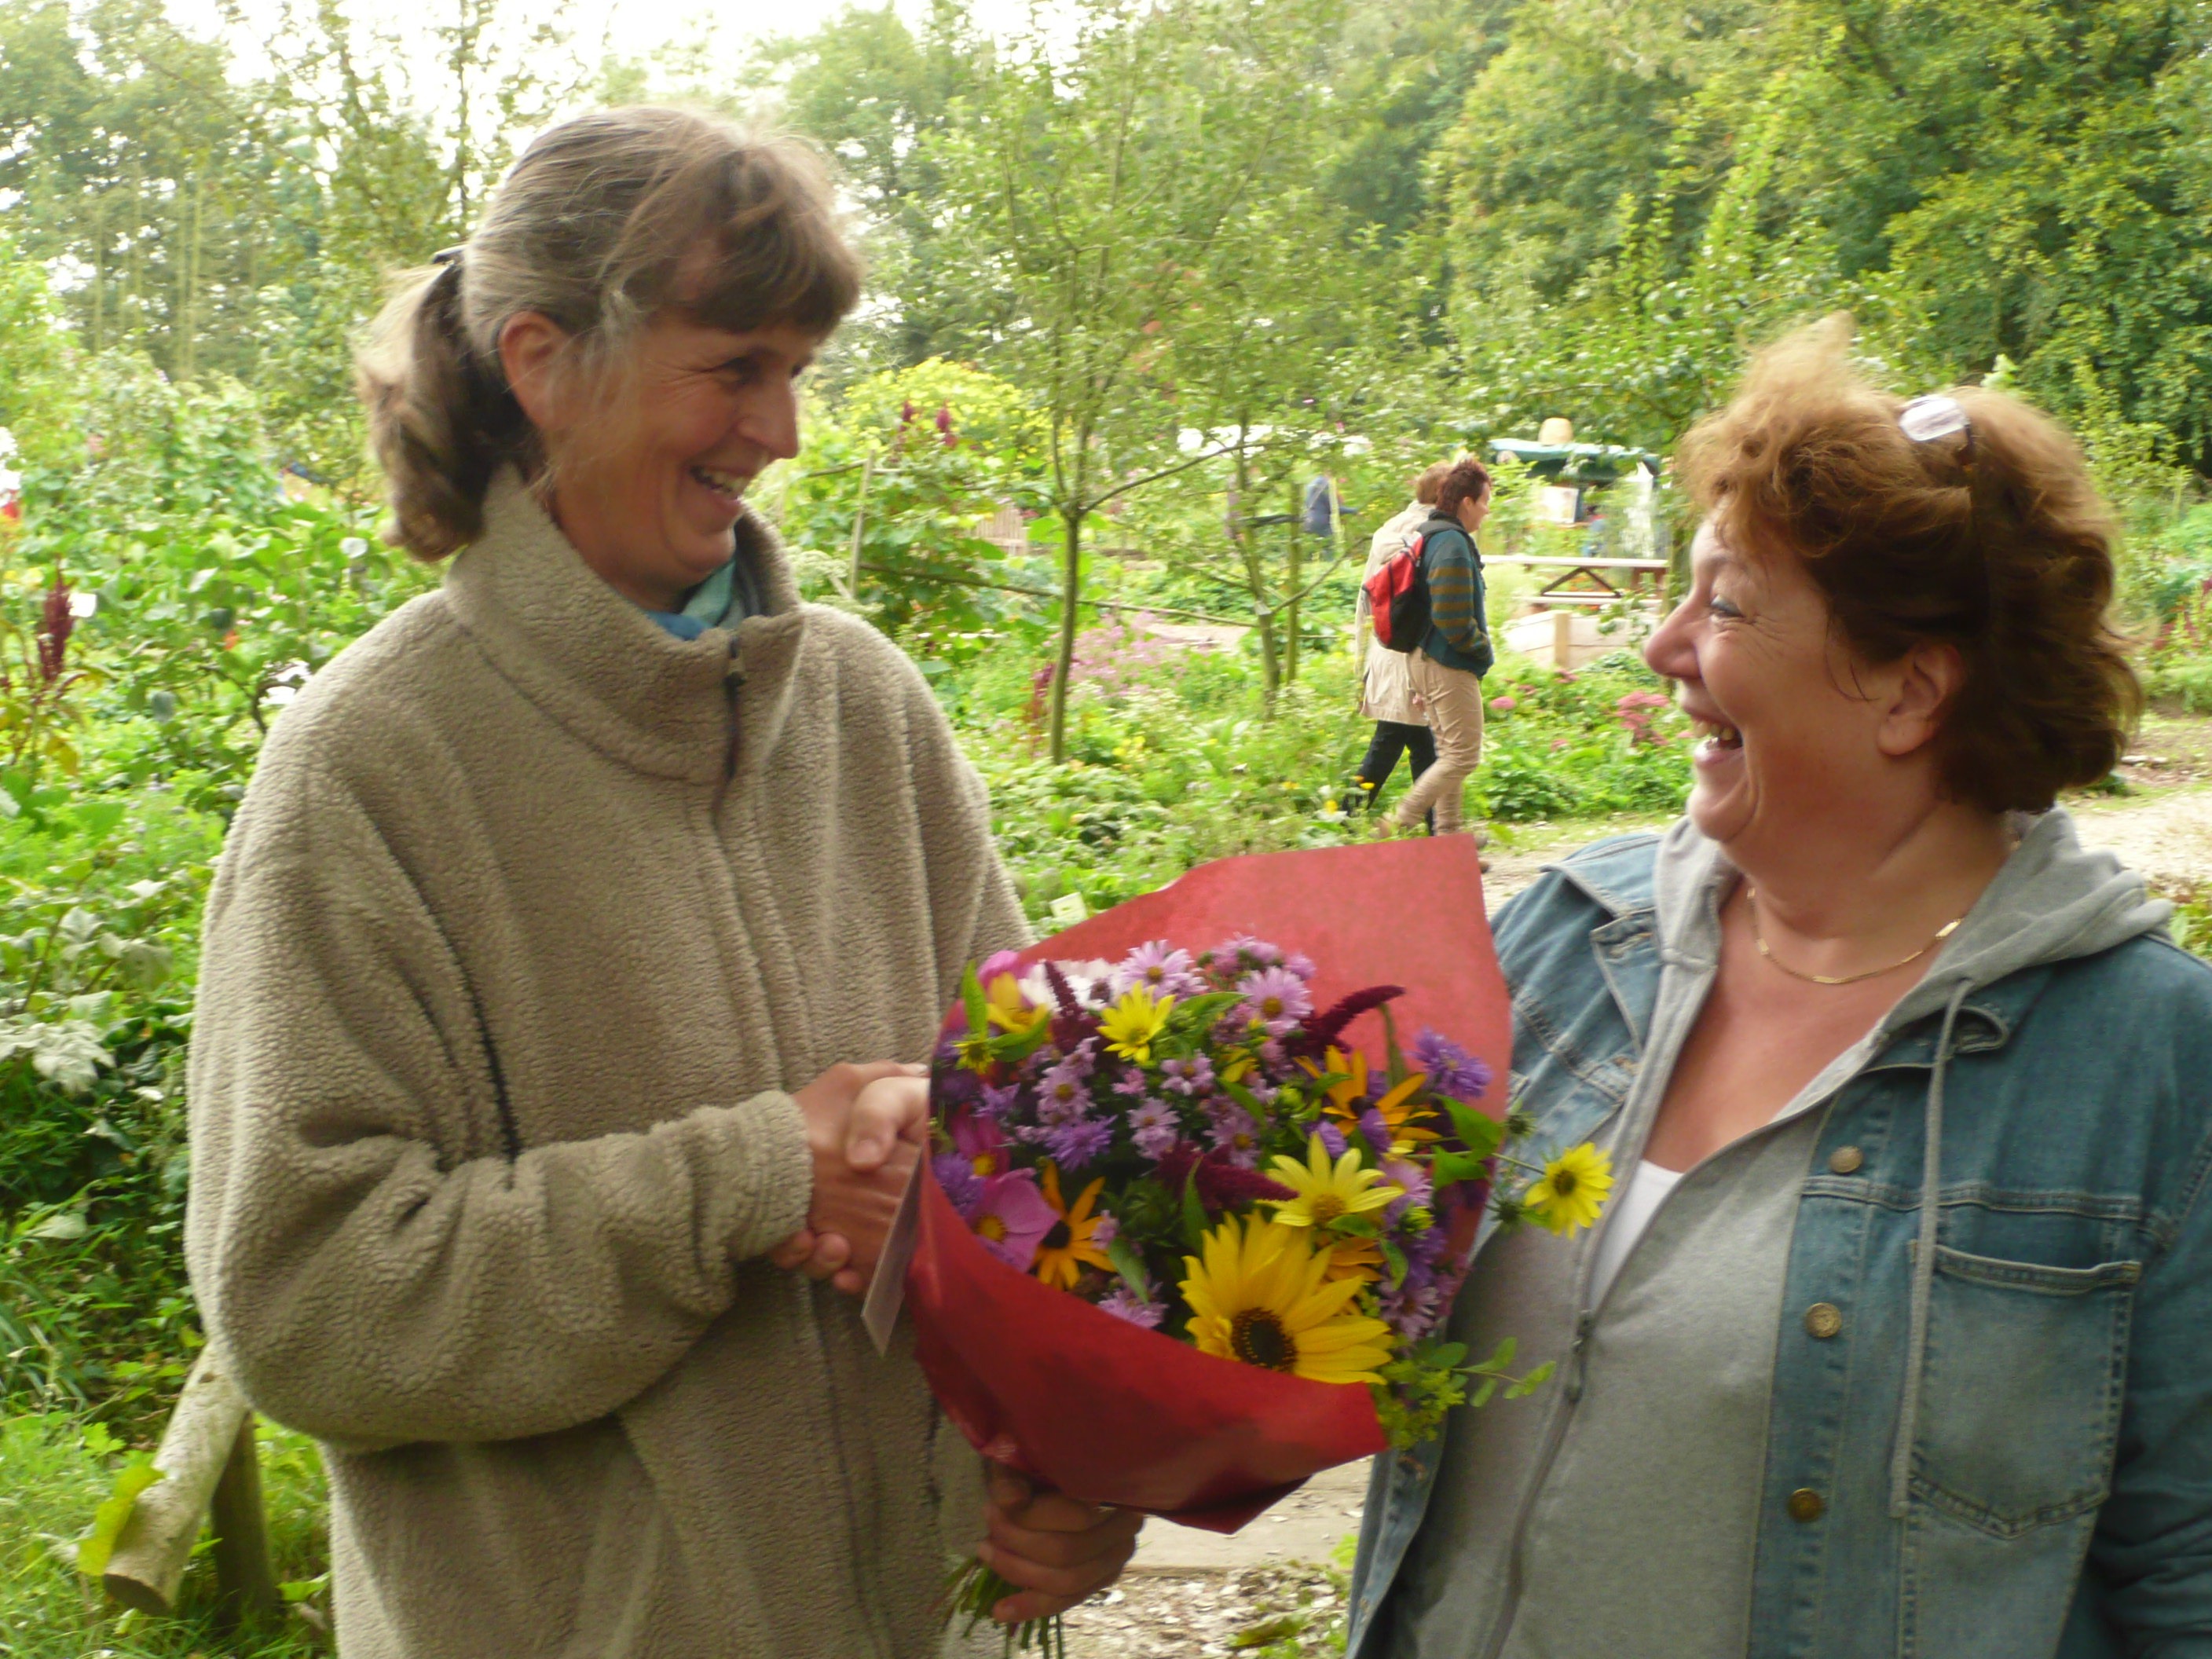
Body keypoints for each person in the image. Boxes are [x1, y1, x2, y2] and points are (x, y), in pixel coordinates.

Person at [183, 108, 1137, 1659]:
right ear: (541, 362)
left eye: (796, 369)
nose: (783, 432)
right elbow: (309, 1302)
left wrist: (1082, 1471)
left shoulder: (867, 713)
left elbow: (1051, 1154)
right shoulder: (373, 769)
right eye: (733, 366)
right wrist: (751, 1182)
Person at [1347, 319, 2212, 1657]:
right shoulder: (1573, 936)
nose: (1660, 647)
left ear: (1910, 688)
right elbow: (1323, 1298)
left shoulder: (2148, 1061)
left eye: (1726, 605)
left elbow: (2187, 1574)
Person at [1387, 457, 1494, 842]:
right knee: (1463, 756)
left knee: (1451, 754)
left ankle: (1449, 842)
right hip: (1446, 662)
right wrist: (1482, 650)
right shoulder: (1450, 542)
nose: (1487, 510)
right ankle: (1398, 822)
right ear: (1466, 501)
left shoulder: (1435, 535)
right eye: (1484, 501)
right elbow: (1450, 616)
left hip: (1428, 659)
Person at [1350, 462, 1449, 815]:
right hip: (1410, 656)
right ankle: (1343, 817)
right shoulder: (1430, 535)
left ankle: (1438, 833)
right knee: (1395, 744)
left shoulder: (1392, 528)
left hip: (1389, 651)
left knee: (1422, 746)